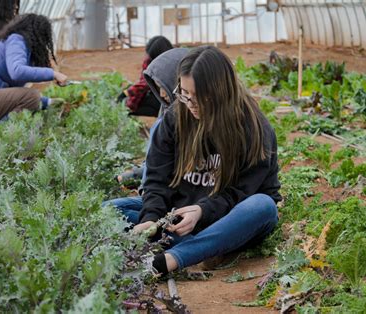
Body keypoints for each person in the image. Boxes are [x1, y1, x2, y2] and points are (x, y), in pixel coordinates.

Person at [131, 46, 282, 275]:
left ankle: (172, 258)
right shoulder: (175, 117)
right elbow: (156, 179)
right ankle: (207, 248)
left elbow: (241, 193)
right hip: (180, 217)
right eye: (184, 94)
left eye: (198, 98)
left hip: (229, 218)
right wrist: (151, 217)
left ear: (221, 93)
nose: (190, 104)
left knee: (263, 206)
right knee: (113, 209)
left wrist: (202, 211)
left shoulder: (253, 128)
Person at [107, 48, 189, 222]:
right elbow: (156, 165)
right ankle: (160, 227)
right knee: (106, 209)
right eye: (157, 88)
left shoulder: (189, 122)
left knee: (115, 213)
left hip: (176, 201)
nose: (162, 94)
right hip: (156, 198)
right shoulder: (166, 111)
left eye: (163, 87)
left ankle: (165, 229)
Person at [118, 35, 173, 117]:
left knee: (151, 102)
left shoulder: (171, 63)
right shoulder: (150, 60)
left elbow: (145, 84)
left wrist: (128, 94)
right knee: (134, 94)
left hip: (172, 99)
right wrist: (128, 95)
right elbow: (143, 82)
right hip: (160, 95)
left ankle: (163, 116)